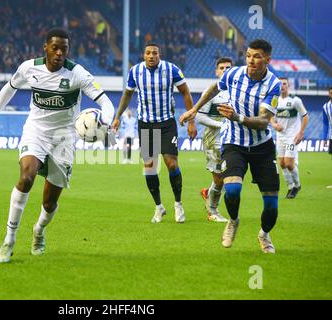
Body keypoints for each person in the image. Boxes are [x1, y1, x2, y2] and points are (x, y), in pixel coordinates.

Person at [0, 29, 115, 263]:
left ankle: (39, 231)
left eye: (64, 49)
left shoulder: (77, 74)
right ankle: (9, 240)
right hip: (36, 132)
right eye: (55, 47)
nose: (60, 53)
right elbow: (9, 88)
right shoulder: (29, 68)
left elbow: (105, 101)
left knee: (49, 202)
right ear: (46, 48)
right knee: (26, 177)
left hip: (64, 139)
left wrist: (105, 121)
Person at [180, 39, 282, 254]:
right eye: (248, 55)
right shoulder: (234, 74)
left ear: (267, 59)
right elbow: (214, 88)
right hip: (233, 142)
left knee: (272, 206)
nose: (251, 60)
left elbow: (263, 121)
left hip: (262, 146)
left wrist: (237, 117)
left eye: (257, 56)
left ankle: (264, 234)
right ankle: (233, 221)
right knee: (233, 189)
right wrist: (194, 110)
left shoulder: (273, 84)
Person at [112, 43, 197, 224]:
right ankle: (159, 207)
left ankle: (178, 203)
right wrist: (117, 116)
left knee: (171, 164)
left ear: (160, 54)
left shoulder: (171, 69)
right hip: (146, 125)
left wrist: (191, 120)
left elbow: (185, 92)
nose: (151, 56)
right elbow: (127, 95)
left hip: (166, 123)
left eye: (155, 53)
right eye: (148, 53)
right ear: (143, 55)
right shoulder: (135, 72)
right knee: (149, 166)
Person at [197, 57, 233, 223]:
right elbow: (199, 117)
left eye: (228, 68)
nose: (225, 70)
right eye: (222, 68)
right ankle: (212, 212)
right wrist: (220, 125)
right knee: (220, 178)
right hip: (213, 140)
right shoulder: (211, 92)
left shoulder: (237, 91)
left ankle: (208, 193)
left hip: (232, 140)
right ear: (216, 71)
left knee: (231, 175)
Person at [270, 77, 309, 199]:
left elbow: (305, 116)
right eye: (280, 84)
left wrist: (301, 133)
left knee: (288, 162)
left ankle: (297, 185)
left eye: (284, 84)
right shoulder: (274, 101)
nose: (282, 86)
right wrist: (274, 124)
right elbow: (270, 115)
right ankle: (290, 186)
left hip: (292, 136)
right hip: (280, 136)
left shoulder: (295, 100)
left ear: (288, 86)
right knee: (281, 163)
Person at [323, 87, 332, 156]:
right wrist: (325, 138)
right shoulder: (326, 107)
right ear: (329, 94)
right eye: (331, 93)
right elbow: (325, 123)